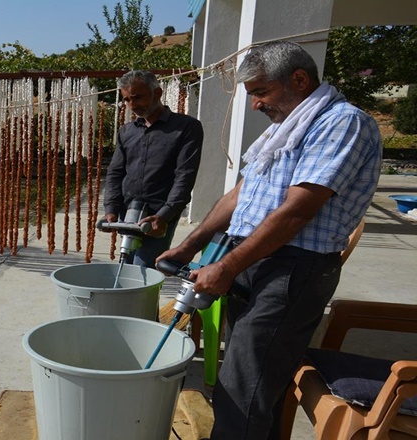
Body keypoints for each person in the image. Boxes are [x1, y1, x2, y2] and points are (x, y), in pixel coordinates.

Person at [157, 40, 382, 439]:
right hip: (254, 262)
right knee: (258, 382)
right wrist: (192, 245)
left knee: (242, 389)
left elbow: (297, 210)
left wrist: (226, 265)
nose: (255, 105)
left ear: (299, 79)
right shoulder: (285, 129)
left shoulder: (342, 122)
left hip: (292, 269)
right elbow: (241, 195)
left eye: (260, 92)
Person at [103, 70, 204, 269]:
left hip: (158, 215)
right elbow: (115, 172)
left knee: (144, 271)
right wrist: (111, 210)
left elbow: (184, 176)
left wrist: (165, 215)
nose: (133, 105)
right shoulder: (127, 131)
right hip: (128, 210)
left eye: (138, 97)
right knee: (125, 267)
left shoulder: (186, 128)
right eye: (127, 100)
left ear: (157, 93)